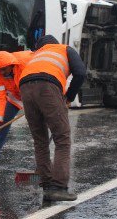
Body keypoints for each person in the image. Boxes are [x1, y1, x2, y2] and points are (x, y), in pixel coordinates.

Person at [19, 35, 86, 202]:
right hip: (47, 86)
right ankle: (58, 187)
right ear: (55, 43)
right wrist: (68, 98)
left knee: (40, 141)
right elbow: (80, 73)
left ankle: (47, 185)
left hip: (25, 87)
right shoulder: (64, 49)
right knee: (62, 138)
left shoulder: (35, 56)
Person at [0, 50, 34, 165]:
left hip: (34, 92)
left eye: (4, 69)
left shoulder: (26, 63)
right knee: (2, 122)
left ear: (11, 64)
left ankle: (42, 159)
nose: (2, 73)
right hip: (16, 94)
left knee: (38, 123)